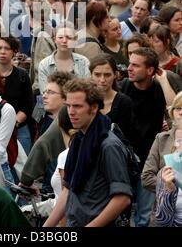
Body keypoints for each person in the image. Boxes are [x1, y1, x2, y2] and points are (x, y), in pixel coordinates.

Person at [43, 78, 132, 227]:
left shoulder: (108, 145)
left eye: (77, 106)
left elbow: (122, 198)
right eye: (68, 106)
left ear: (94, 107)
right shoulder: (79, 139)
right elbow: (68, 190)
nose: (71, 112)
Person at [120, 47, 167, 226]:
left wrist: (163, 81)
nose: (129, 68)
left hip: (148, 161)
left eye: (135, 65)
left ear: (149, 70)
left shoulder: (158, 90)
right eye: (129, 64)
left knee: (144, 216)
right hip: (124, 160)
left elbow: (173, 107)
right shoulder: (123, 86)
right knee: (121, 212)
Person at [0, 36, 34, 155]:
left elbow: (28, 103)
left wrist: (14, 121)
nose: (3, 51)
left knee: (23, 166)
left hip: (19, 128)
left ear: (14, 52)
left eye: (7, 48)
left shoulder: (22, 75)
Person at [142, 91, 182, 195]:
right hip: (167, 206)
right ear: (172, 112)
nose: (181, 112)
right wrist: (167, 184)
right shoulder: (162, 138)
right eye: (178, 108)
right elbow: (146, 177)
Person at [89, 54, 135, 142]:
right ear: (91, 74)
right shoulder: (83, 100)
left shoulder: (124, 102)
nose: (102, 80)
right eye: (97, 75)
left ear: (115, 75)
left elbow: (124, 138)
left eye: (107, 75)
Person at [38, 23, 90, 94]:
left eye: (69, 37)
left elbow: (87, 89)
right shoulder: (44, 65)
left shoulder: (84, 62)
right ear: (54, 40)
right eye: (60, 37)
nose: (64, 41)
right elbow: (45, 93)